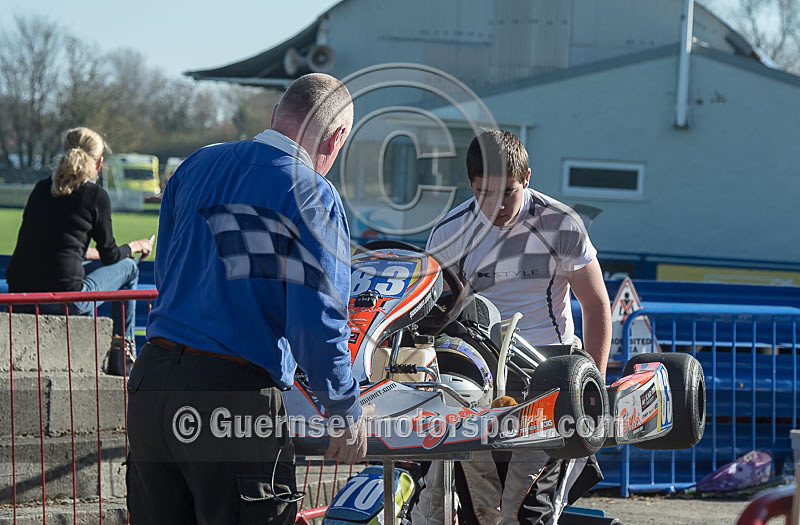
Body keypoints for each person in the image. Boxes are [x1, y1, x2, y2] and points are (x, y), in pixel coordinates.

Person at [126, 73, 368, 524]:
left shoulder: (196, 164)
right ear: (336, 137)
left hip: (152, 384)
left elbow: (167, 273)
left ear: (276, 115)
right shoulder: (312, 193)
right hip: (231, 396)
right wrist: (343, 408)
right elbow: (317, 320)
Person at [411, 129, 612, 525]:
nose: (498, 205)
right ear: (470, 185)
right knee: (479, 511)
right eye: (484, 193)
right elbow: (430, 316)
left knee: (528, 511)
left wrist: (594, 390)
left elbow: (595, 304)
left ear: (527, 179)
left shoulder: (560, 224)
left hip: (549, 374)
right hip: (475, 378)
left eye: (508, 192)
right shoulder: (450, 232)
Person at [5, 126, 153, 375]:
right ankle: (123, 355)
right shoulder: (95, 195)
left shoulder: (41, 189)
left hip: (20, 295)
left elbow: (59, 246)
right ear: (99, 163)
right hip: (64, 300)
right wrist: (136, 246)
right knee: (129, 268)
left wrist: (91, 253)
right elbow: (111, 255)